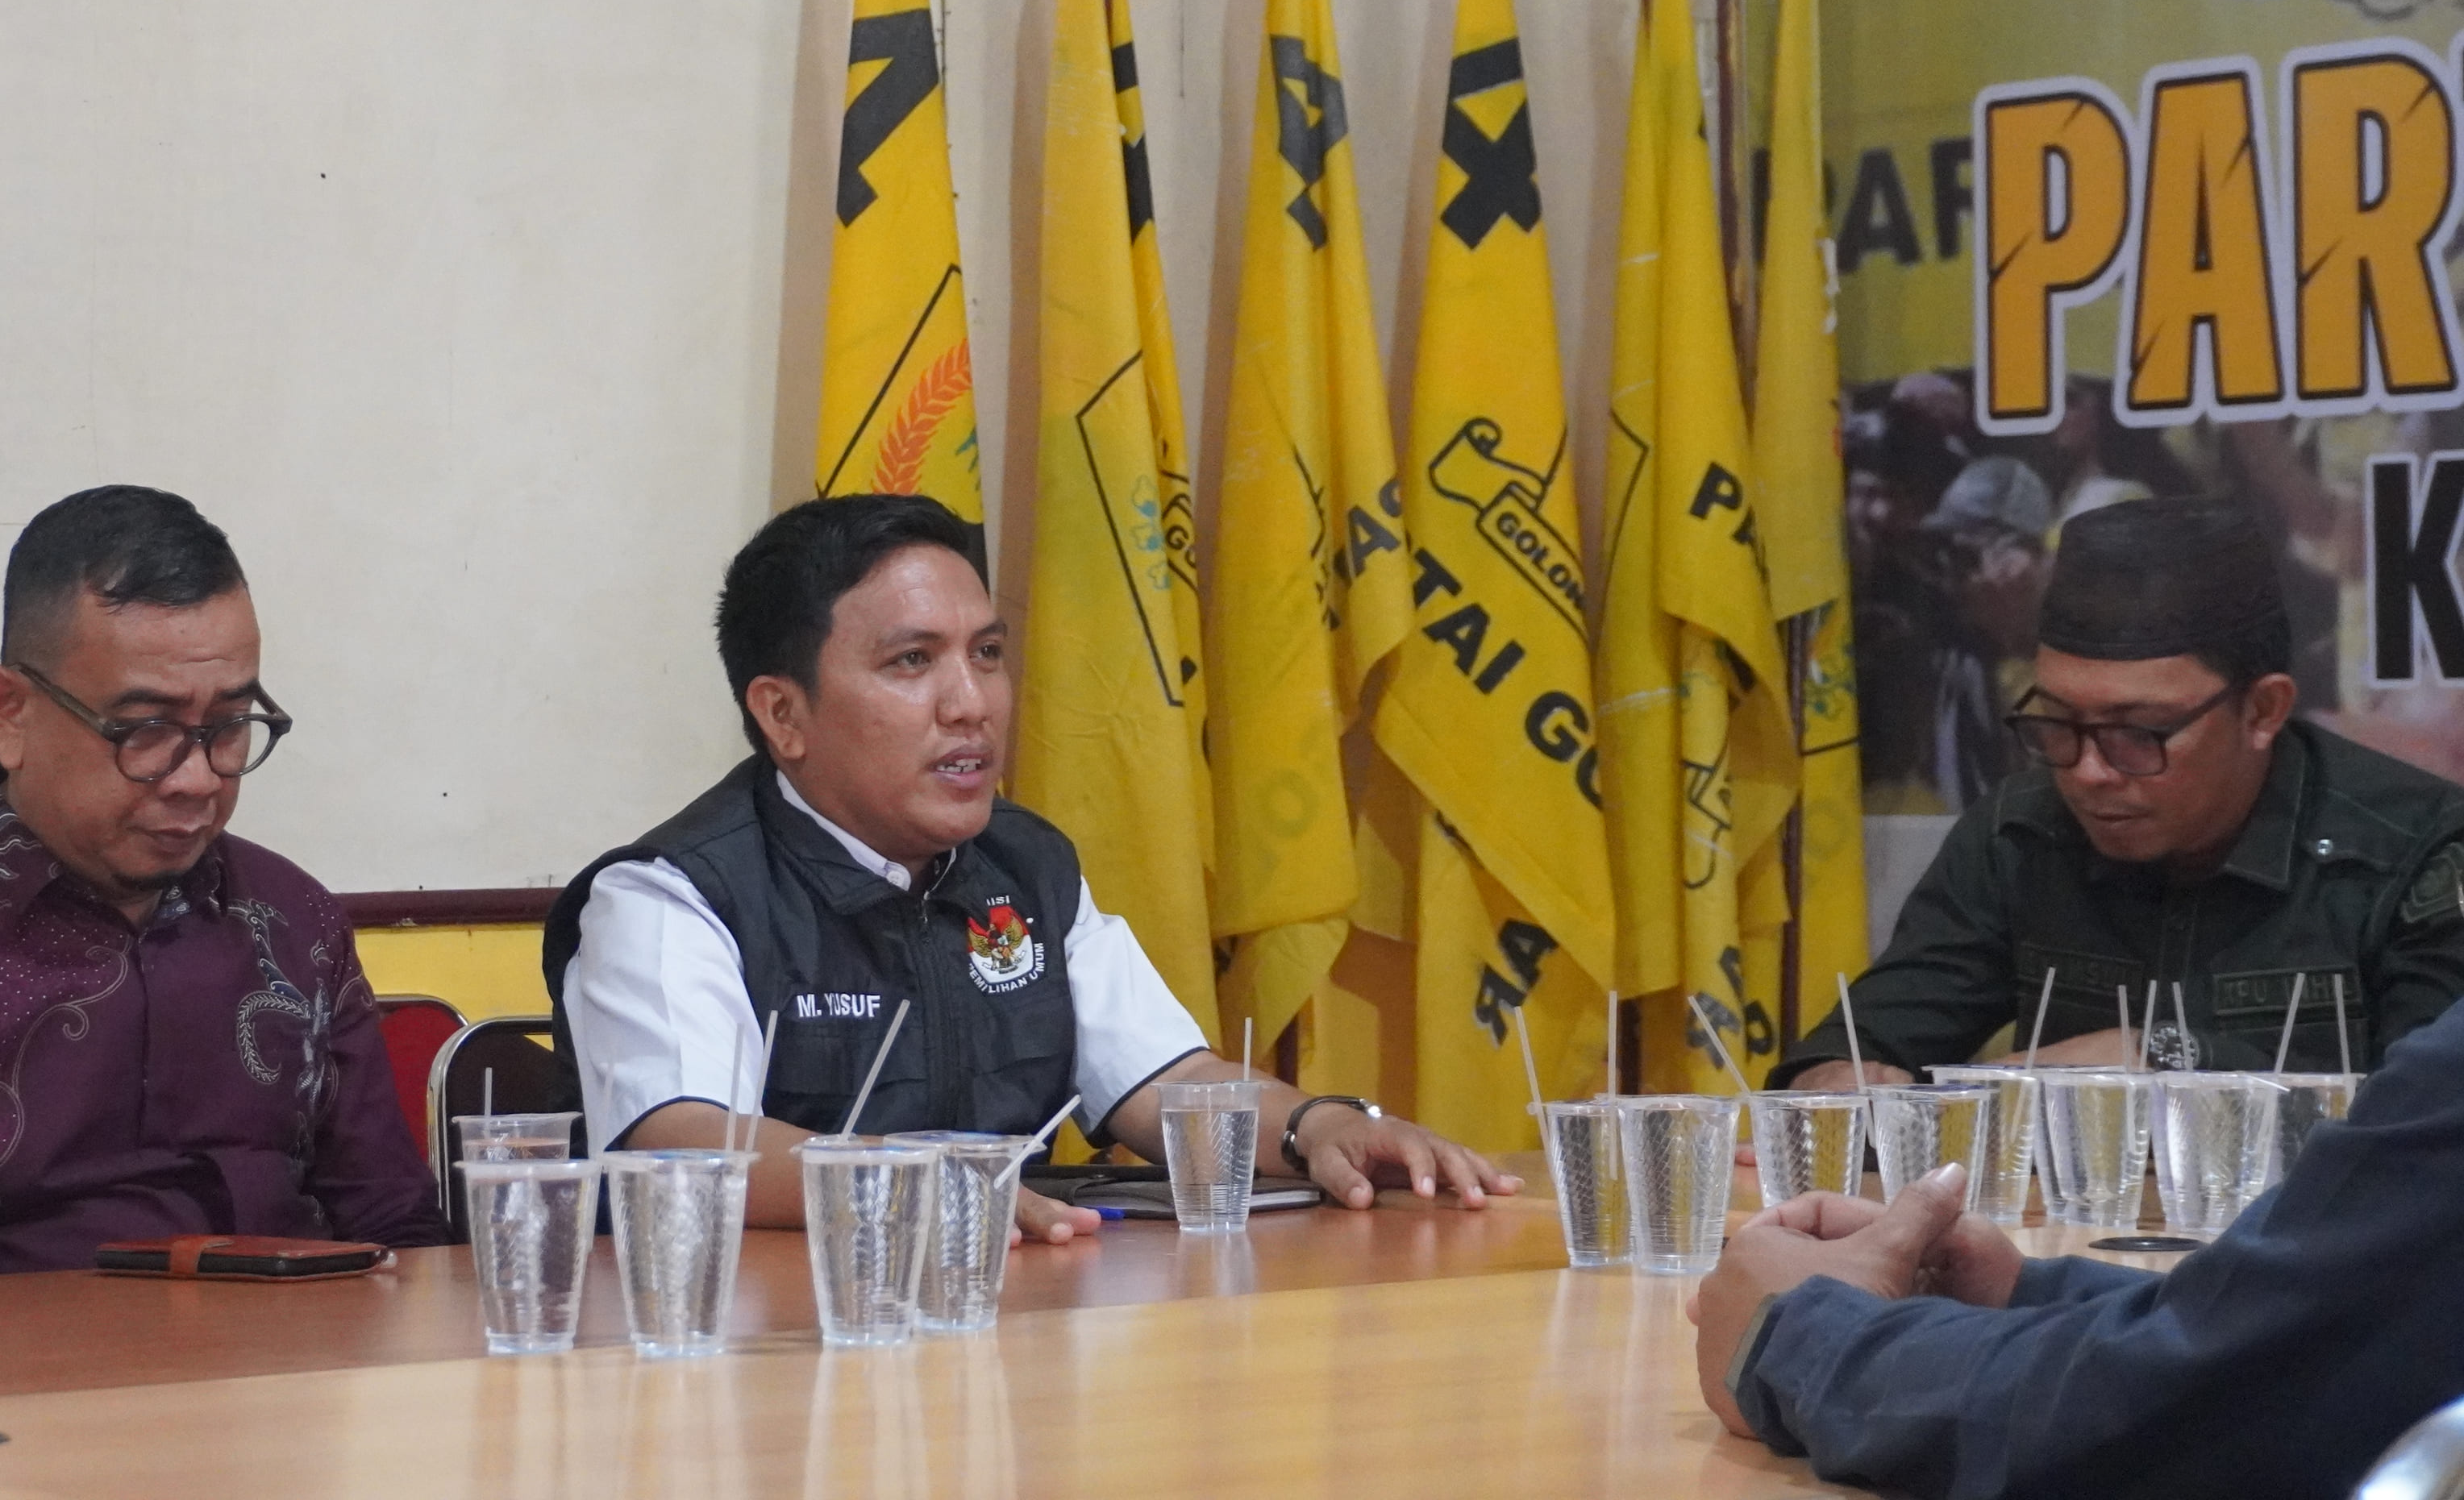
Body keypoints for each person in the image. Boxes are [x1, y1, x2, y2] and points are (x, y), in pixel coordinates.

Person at [543, 493, 1513, 1240]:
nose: (971, 703)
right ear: (783, 714)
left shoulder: (1023, 864)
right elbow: (684, 1145)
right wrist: (916, 1186)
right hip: (771, 1354)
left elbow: (1165, 1081)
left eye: (986, 654)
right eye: (912, 662)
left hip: (1013, 1317)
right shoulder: (671, 897)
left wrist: (1319, 1129)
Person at [0, 486, 446, 1281]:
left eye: (231, 725)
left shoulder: (292, 918)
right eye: (146, 729)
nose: (198, 779)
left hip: (291, 1352)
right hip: (0, 1360)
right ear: (9, 712)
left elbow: (398, 1237)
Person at [1776, 495, 2464, 1091]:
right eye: (2057, 723)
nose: (2088, 772)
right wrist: (1836, 1081)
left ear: (2262, 711)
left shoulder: (2421, 850)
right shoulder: (2019, 833)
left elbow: (2431, 1126)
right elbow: (1864, 1042)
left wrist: (2165, 1060)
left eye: (2138, 733)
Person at [1694, 994, 2464, 1495]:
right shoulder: (2014, 833)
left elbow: (2170, 1417)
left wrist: (1797, 1335)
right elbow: (2355, 1327)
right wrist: (2025, 1294)